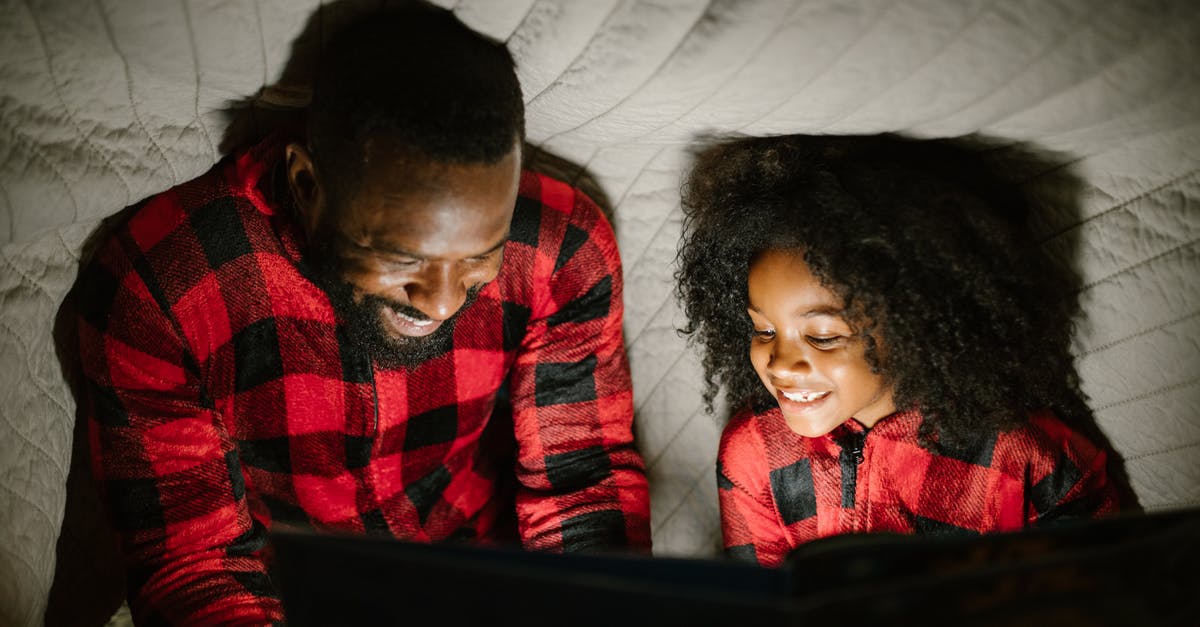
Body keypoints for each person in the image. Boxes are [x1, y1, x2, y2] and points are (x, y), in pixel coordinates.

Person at [73, 5, 650, 624]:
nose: (442, 300)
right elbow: (193, 560)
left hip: (484, 566)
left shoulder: (564, 248)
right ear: (306, 183)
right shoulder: (162, 287)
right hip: (286, 595)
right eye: (402, 259)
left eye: (480, 258)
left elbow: (582, 479)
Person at [673, 133, 1121, 568]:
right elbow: (760, 604)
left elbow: (1098, 594)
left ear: (915, 321)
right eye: (764, 331)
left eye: (824, 336)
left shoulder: (1025, 457)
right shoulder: (753, 452)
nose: (780, 364)